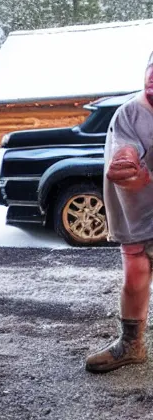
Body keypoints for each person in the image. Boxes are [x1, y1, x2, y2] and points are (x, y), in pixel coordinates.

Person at [86, 52, 153, 374]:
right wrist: (127, 161)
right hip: (139, 211)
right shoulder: (130, 112)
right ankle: (131, 345)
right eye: (152, 69)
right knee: (136, 275)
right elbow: (124, 151)